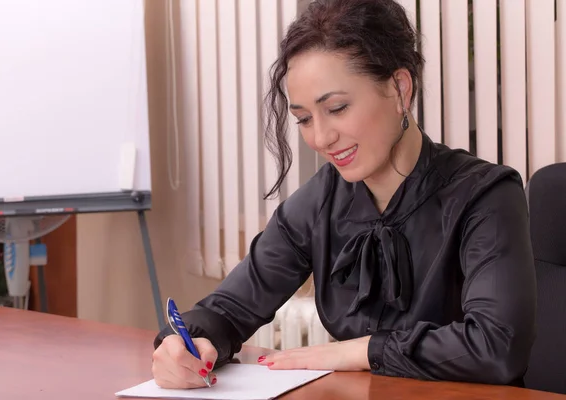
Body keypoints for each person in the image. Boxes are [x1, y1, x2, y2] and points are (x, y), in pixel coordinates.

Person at [151, 0, 537, 390]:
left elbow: (496, 347)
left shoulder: (485, 196)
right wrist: (188, 345)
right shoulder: (318, 203)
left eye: (337, 108)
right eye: (303, 119)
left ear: (400, 89)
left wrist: (359, 351)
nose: (320, 139)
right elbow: (229, 309)